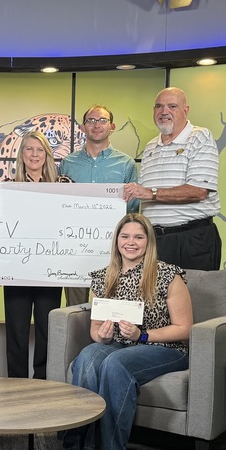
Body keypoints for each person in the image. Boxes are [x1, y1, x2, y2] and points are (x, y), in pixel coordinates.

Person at [62, 212, 192, 450]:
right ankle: (74, 448)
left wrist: (142, 336)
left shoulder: (169, 275)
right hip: (120, 345)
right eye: (125, 236)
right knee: (87, 356)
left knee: (114, 363)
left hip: (165, 349)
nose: (130, 242)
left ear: (148, 242)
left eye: (138, 237)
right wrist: (105, 335)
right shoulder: (103, 277)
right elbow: (96, 332)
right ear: (117, 241)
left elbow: (185, 329)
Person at [124, 87, 222, 271]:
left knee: (195, 297)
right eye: (159, 106)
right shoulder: (151, 146)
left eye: (172, 106)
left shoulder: (200, 137)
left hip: (192, 239)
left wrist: (149, 192)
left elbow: (198, 191)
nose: (164, 112)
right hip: (155, 240)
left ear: (186, 110)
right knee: (155, 298)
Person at [58, 104, 140, 306]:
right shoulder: (68, 163)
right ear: (83, 127)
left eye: (102, 120)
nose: (96, 125)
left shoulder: (126, 164)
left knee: (110, 308)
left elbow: (133, 209)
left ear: (112, 126)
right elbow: (60, 205)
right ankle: (77, 340)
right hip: (74, 249)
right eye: (91, 121)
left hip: (112, 250)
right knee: (74, 310)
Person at [3, 131, 63, 379]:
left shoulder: (65, 186)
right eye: (29, 149)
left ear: (47, 155)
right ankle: (16, 384)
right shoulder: (7, 186)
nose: (34, 154)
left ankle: (42, 382)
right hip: (17, 270)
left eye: (40, 150)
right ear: (22, 154)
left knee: (47, 330)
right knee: (16, 331)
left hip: (51, 270)